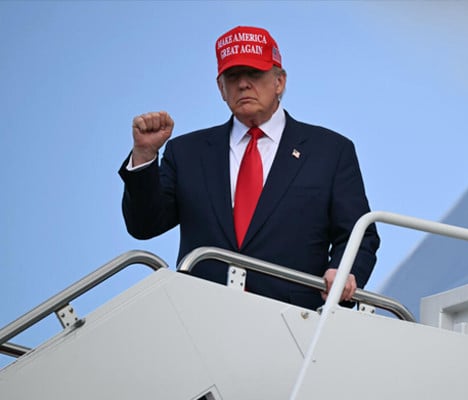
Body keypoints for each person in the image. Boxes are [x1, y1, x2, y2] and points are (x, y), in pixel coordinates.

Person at [118, 26, 379, 310]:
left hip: (294, 321)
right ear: (221, 88)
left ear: (279, 82)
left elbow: (358, 235)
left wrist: (344, 271)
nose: (243, 84)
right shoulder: (186, 153)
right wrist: (144, 155)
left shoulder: (330, 151)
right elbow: (145, 225)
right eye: (232, 76)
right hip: (199, 315)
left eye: (254, 73)